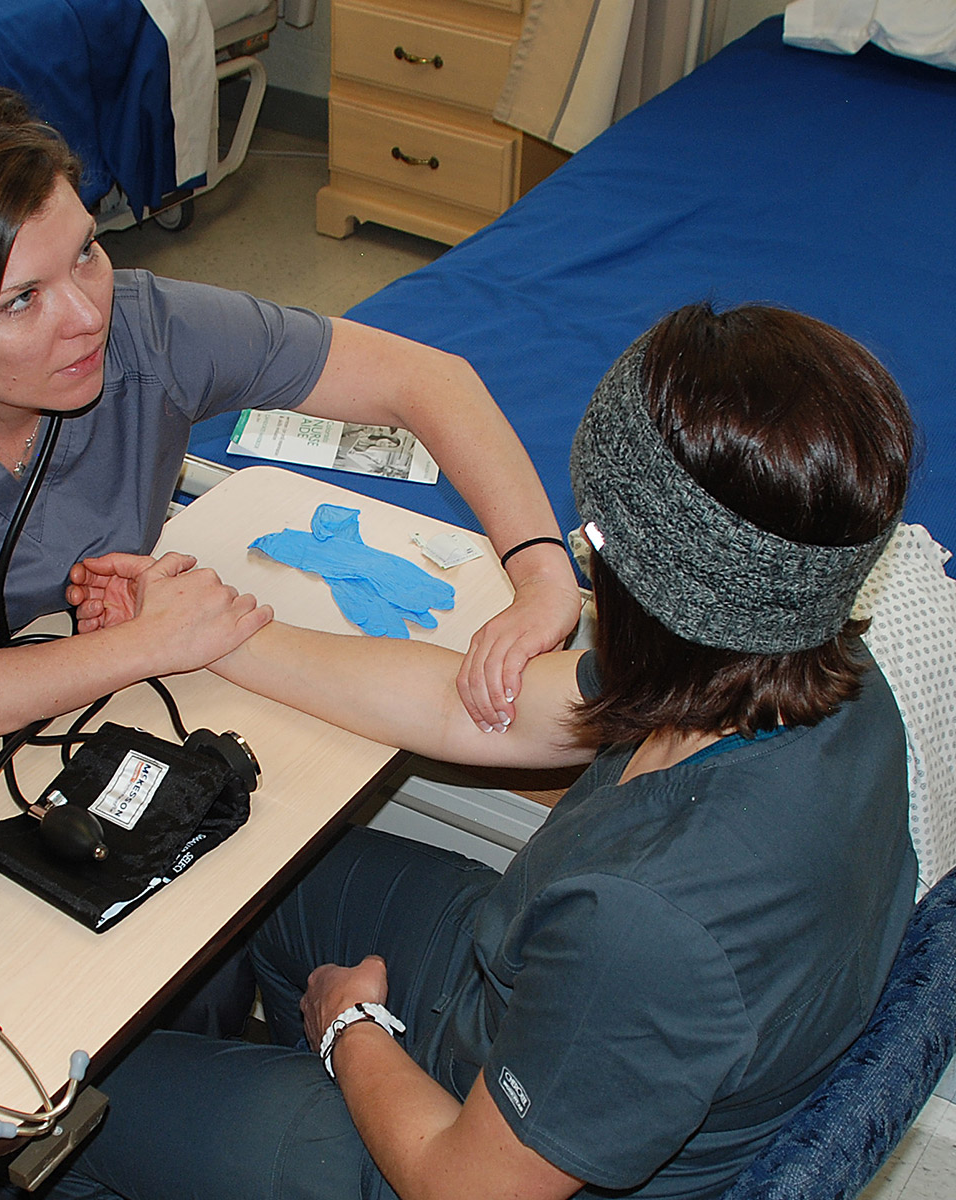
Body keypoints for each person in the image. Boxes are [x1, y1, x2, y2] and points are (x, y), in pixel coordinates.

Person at [50, 302, 918, 1199]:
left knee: (73, 1115)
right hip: (531, 1007)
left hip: (466, 1159)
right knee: (256, 859)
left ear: (663, 590)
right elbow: (463, 706)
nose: (585, 560)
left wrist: (351, 1030)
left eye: (594, 537)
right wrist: (210, 634)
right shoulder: (807, 673)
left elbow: (467, 1187)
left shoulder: (652, 929)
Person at [0, 45, 580, 819]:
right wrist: (151, 644)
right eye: (22, 300)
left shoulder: (149, 333)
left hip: (55, 730)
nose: (86, 316)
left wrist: (543, 580)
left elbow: (428, 381)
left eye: (85, 252)